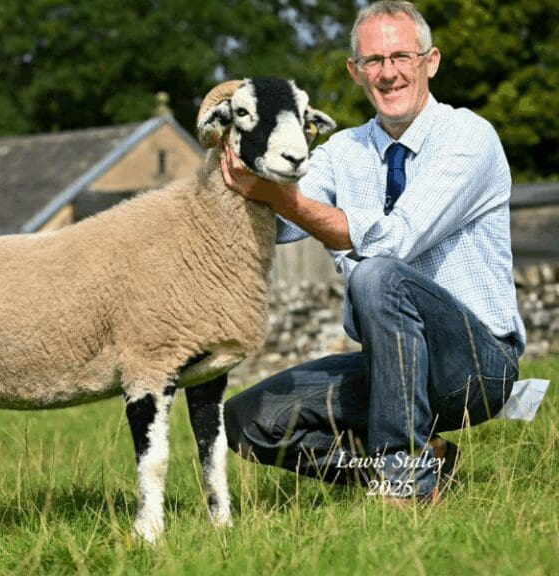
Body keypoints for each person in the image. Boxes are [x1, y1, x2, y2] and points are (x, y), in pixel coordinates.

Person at [220, 0, 525, 502]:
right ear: (355, 72)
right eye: (374, 62)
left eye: (401, 56)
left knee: (378, 273)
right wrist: (241, 167)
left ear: (431, 61)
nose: (388, 73)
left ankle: (405, 485)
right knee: (253, 420)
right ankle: (424, 462)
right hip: (390, 365)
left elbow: (394, 241)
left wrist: (283, 197)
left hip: (475, 364)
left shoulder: (469, 137)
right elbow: (278, 224)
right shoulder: (341, 152)